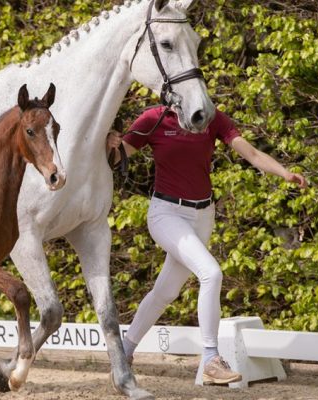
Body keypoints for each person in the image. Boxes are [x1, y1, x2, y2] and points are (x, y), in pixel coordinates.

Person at [106, 105, 307, 384]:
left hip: (203, 215)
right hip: (167, 212)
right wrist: (109, 144)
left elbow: (251, 153)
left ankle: (123, 351)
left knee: (165, 292)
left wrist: (285, 173)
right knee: (211, 273)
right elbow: (116, 158)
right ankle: (211, 358)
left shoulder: (209, 117)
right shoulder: (155, 118)